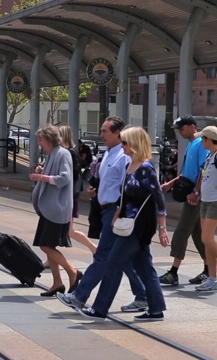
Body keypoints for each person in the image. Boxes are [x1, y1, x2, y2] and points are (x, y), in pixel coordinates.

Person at [57, 116, 148, 312]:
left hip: (116, 212)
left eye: (105, 131)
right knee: (121, 258)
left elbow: (128, 187)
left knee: (103, 255)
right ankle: (143, 295)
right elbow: (109, 181)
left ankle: (79, 296)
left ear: (118, 133)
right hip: (105, 209)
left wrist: (119, 211)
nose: (101, 135)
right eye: (101, 131)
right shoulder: (108, 154)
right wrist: (96, 191)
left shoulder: (123, 157)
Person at [77, 127, 169, 321]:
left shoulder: (146, 168)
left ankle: (99, 309)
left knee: (112, 263)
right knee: (145, 267)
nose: (123, 146)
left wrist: (162, 229)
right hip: (126, 223)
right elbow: (124, 197)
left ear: (135, 144)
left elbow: (159, 200)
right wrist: (115, 216)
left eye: (125, 142)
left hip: (139, 226)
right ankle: (156, 309)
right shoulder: (131, 166)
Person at [30, 125, 82, 296]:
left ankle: (72, 271)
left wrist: (41, 177)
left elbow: (64, 178)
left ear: (49, 139)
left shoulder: (63, 153)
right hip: (49, 207)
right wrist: (42, 171)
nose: (39, 142)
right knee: (48, 244)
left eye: (41, 139)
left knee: (45, 245)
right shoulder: (52, 154)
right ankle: (57, 283)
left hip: (56, 208)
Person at [159, 115, 208, 286]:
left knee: (181, 231)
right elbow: (187, 171)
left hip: (195, 196)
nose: (179, 132)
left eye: (182, 128)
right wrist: (170, 184)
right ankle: (209, 270)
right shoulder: (191, 144)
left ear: (192, 126)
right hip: (191, 192)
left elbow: (204, 170)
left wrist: (197, 192)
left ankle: (173, 272)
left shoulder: (202, 143)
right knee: (198, 234)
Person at [58, 126, 97, 255]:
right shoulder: (67, 152)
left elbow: (72, 176)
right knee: (60, 229)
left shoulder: (69, 153)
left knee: (68, 230)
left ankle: (93, 248)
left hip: (68, 197)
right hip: (67, 196)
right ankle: (51, 258)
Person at [188, 126, 217, 291]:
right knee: (207, 240)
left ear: (208, 139)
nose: (201, 142)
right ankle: (212, 278)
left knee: (206, 238)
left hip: (215, 202)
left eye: (203, 139)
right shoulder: (209, 156)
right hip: (206, 201)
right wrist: (198, 193)